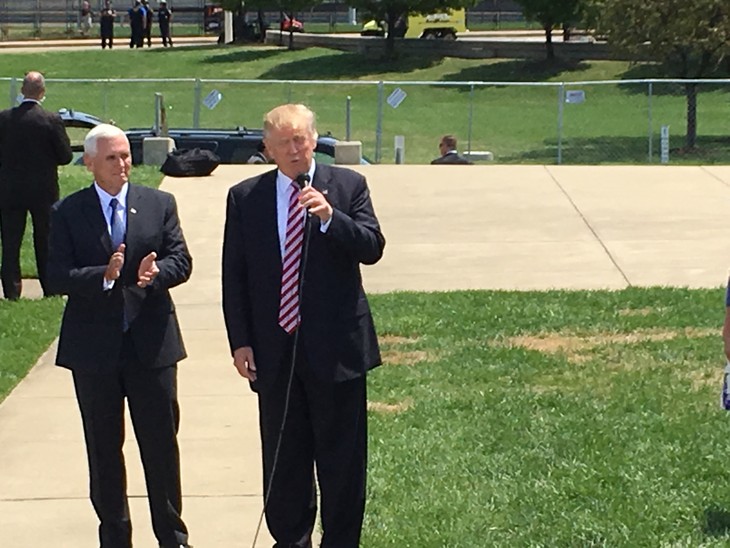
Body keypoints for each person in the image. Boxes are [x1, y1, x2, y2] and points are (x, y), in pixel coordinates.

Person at [222, 103, 385, 547]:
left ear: (315, 140)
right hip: (276, 354)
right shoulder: (245, 198)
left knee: (342, 461)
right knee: (284, 459)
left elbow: (372, 247)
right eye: (283, 143)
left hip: (337, 352)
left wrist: (332, 218)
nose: (294, 150)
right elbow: (234, 275)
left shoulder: (348, 186)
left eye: (301, 140)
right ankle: (291, 539)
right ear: (268, 149)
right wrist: (241, 342)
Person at [47, 124, 193, 548]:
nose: (122, 164)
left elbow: (180, 259)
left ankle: (173, 535)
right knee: (104, 449)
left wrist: (156, 273)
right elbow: (56, 275)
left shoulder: (158, 203)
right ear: (89, 162)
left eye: (126, 155)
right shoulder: (67, 212)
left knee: (161, 447)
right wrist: (104, 276)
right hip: (94, 352)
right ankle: (114, 535)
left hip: (152, 346)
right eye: (112, 157)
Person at [0, 71, 72, 300]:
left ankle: (11, 290)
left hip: (10, 189)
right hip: (43, 190)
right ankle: (49, 287)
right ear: (42, 92)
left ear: (22, 91)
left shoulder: (4, 119)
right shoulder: (51, 120)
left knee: (10, 242)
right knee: (45, 239)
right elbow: (65, 156)